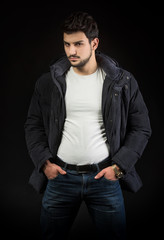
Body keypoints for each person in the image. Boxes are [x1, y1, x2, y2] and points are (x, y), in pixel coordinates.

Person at [24, 11, 151, 240]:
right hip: (60, 177)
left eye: (79, 44)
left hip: (104, 178)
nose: (71, 51)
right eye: (67, 44)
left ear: (94, 43)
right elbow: (33, 125)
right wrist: (44, 164)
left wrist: (119, 167)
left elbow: (141, 127)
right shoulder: (49, 83)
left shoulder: (122, 82)